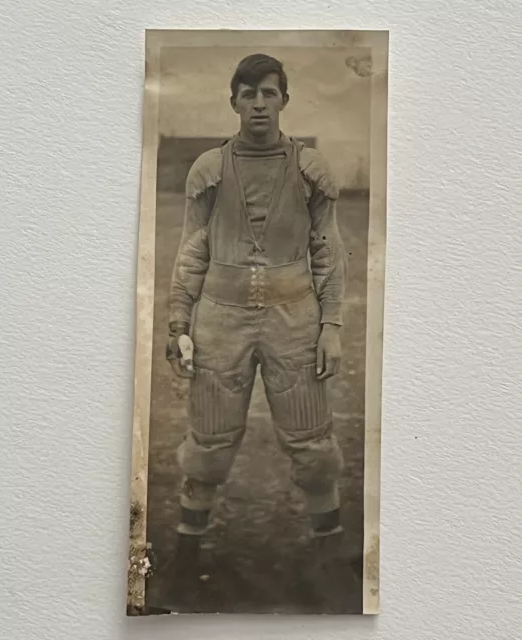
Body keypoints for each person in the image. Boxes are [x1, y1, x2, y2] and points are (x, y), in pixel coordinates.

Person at [164, 53, 347, 586]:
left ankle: (330, 554)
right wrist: (178, 321)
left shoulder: (310, 166)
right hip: (220, 320)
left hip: (295, 318)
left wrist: (331, 326)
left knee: (311, 439)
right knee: (210, 439)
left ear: (284, 100)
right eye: (249, 94)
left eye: (269, 93)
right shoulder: (209, 168)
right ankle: (187, 551)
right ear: (234, 103)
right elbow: (191, 250)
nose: (259, 104)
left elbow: (328, 251)